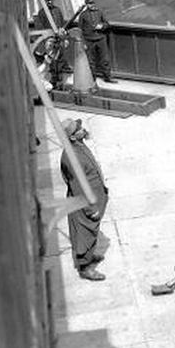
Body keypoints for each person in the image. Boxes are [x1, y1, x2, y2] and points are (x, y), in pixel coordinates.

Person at [60, 118, 109, 281]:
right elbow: (79, 186)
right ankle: (85, 267)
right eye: (79, 129)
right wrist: (91, 208)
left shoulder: (78, 145)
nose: (83, 129)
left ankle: (88, 256)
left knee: (91, 232)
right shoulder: (72, 157)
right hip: (85, 203)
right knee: (84, 234)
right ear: (72, 137)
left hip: (94, 197)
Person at [34, 0, 69, 90]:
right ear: (45, 0)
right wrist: (46, 42)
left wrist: (64, 38)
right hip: (50, 40)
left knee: (60, 60)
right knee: (52, 61)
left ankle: (60, 81)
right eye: (48, 0)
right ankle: (54, 81)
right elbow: (41, 29)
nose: (49, 2)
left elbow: (62, 25)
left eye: (51, 0)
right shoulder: (42, 13)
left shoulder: (58, 10)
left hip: (60, 39)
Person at [78, 0, 116, 83]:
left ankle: (107, 77)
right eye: (90, 3)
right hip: (88, 40)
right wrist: (83, 43)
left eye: (93, 3)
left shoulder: (100, 12)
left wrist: (102, 26)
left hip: (101, 39)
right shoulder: (83, 15)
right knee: (91, 61)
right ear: (86, 4)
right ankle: (92, 79)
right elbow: (80, 30)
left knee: (105, 59)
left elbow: (107, 24)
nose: (92, 5)